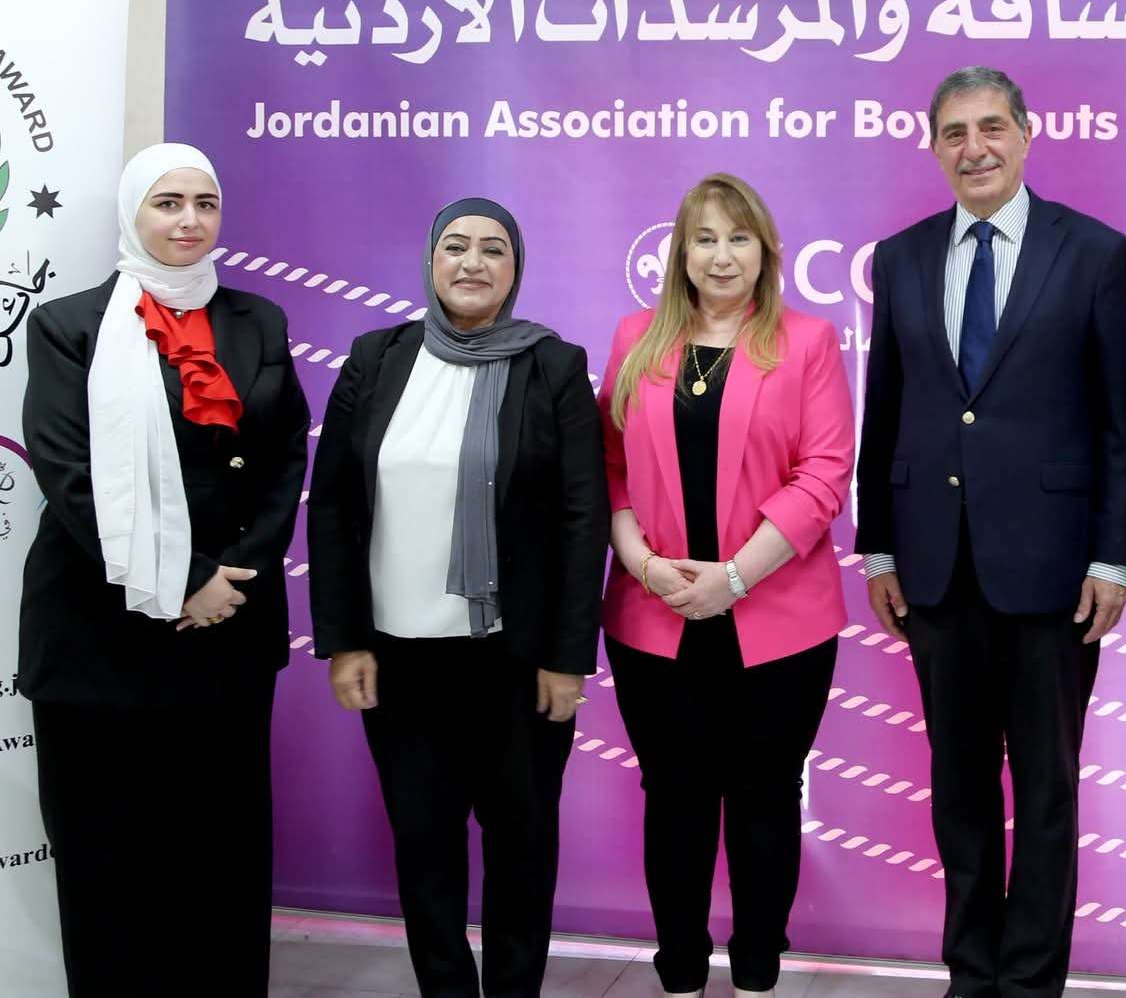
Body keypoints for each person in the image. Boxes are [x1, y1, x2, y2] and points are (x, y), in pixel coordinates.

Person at [857, 66, 1126, 998]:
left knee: (1049, 790)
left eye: (990, 127)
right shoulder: (901, 257)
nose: (973, 147)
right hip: (936, 569)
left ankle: (1031, 982)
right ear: (934, 147)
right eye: (954, 132)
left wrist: (1113, 557)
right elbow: (885, 409)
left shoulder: (1092, 251)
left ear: (1026, 133)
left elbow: (1121, 421)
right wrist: (879, 545)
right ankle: (971, 974)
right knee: (959, 787)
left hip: (1055, 572)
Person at [19, 143, 309, 996]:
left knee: (220, 858)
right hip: (98, 637)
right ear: (133, 212)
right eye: (168, 202)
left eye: (205, 203)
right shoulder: (69, 326)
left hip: (224, 636)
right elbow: (69, 474)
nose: (189, 220)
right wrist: (185, 578)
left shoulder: (258, 321)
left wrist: (232, 579)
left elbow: (283, 459)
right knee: (105, 865)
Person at [307, 197, 608, 998]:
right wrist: (344, 638)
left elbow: (584, 518)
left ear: (516, 269)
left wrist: (568, 657)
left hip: (517, 663)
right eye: (456, 246)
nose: (473, 262)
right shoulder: (376, 358)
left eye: (493, 249)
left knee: (521, 848)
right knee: (424, 848)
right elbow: (332, 503)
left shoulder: (553, 365)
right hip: (399, 660)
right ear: (431, 260)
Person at [598, 173, 854, 998]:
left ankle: (756, 977)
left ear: (766, 251)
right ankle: (678, 975)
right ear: (680, 252)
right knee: (674, 797)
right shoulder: (636, 337)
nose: (721, 255)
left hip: (778, 618)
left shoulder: (807, 340)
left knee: (764, 798)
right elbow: (608, 465)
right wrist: (641, 561)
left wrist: (736, 577)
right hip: (655, 611)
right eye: (704, 238)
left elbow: (824, 473)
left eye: (738, 237)